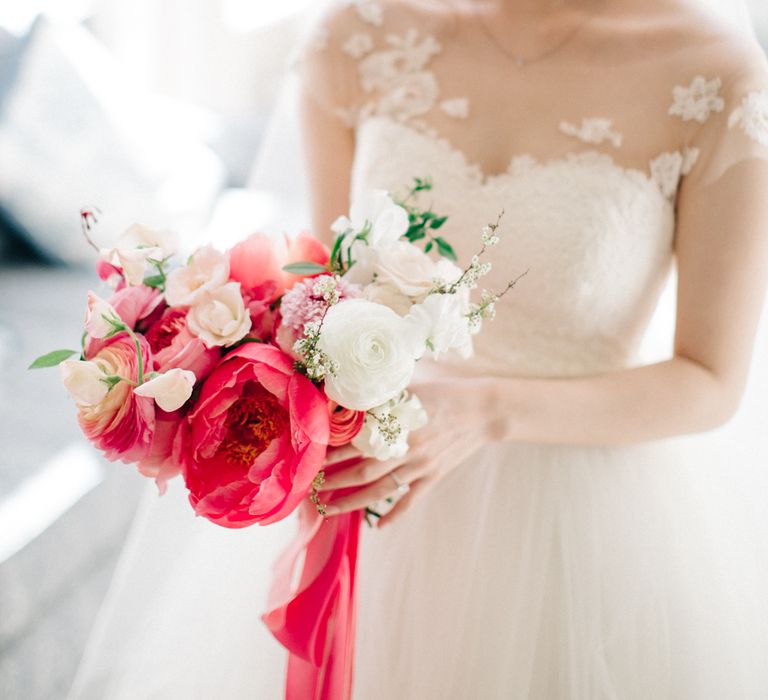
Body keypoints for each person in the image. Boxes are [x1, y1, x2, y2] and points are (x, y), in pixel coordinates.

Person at [70, 0, 768, 698]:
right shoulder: (361, 34)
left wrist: (486, 410)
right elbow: (325, 290)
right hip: (380, 488)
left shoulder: (713, 74)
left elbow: (710, 379)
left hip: (581, 523)